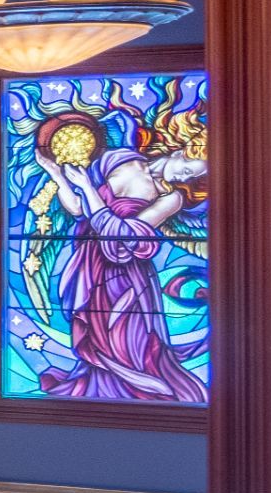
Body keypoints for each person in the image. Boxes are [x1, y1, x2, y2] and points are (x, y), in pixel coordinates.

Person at [29, 104, 207, 405]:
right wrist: (57, 175)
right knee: (95, 339)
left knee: (126, 341)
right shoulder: (119, 158)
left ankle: (137, 398)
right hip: (91, 265)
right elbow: (78, 210)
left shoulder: (171, 198)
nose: (184, 178)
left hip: (126, 276)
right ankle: (98, 393)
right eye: (188, 169)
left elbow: (122, 237)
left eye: (192, 177)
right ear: (179, 149)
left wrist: (87, 187)